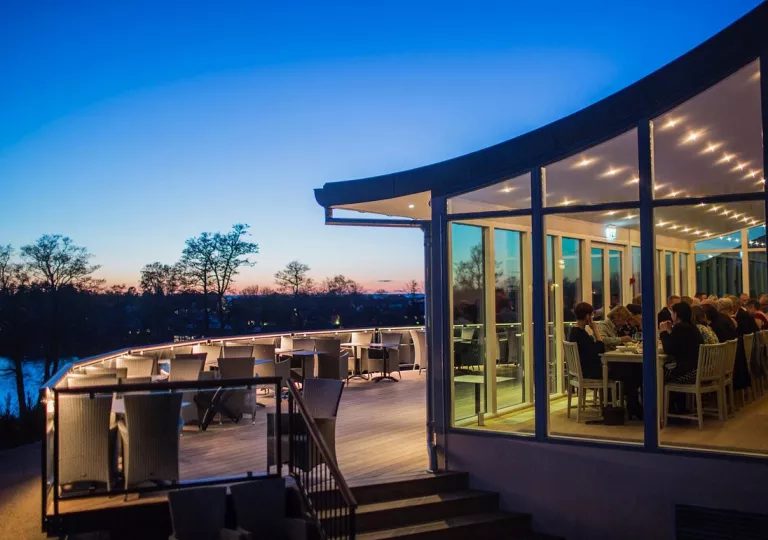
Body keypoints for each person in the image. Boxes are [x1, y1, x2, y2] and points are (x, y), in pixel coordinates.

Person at [568, 302, 643, 419]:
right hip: (591, 372)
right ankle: (633, 407)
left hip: (585, 369)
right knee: (631, 372)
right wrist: (595, 330)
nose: (592, 318)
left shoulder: (574, 332)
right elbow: (599, 348)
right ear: (587, 316)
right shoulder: (580, 334)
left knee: (630, 370)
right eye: (592, 315)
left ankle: (632, 406)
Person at [660, 302, 703, 385]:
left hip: (687, 374)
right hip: (698, 371)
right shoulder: (692, 327)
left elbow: (669, 349)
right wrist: (670, 331)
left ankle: (657, 394)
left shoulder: (680, 327)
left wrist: (663, 332)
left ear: (675, 314)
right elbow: (679, 343)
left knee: (656, 373)